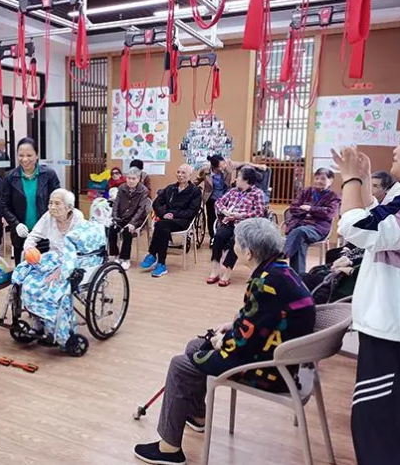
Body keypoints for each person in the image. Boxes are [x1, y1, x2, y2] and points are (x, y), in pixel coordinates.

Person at [134, 218, 315, 465]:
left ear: (249, 253)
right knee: (194, 346)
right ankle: (198, 416)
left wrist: (222, 341)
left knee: (180, 365)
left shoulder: (265, 283)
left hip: (272, 369)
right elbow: (266, 317)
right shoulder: (279, 270)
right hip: (280, 353)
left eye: (236, 243)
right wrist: (233, 326)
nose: (233, 246)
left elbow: (243, 344)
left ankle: (169, 449)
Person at [331, 141, 400, 465]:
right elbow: (377, 215)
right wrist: (361, 179)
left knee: (377, 427)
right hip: (390, 327)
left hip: (392, 332)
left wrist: (349, 180)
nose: (397, 148)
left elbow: (358, 227)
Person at [10, 188, 105, 346]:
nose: (52, 207)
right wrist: (29, 250)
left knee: (53, 287)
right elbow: (33, 235)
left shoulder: (78, 219)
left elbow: (78, 252)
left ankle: (57, 330)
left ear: (69, 207)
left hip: (74, 260)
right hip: (53, 257)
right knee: (29, 282)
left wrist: (60, 271)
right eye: (50, 203)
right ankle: (38, 324)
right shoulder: (48, 217)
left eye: (57, 203)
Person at [1, 137, 60, 263]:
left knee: (45, 269)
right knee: (22, 270)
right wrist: (16, 224)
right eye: (21, 155)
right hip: (21, 235)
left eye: (29, 155)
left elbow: (58, 201)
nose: (25, 159)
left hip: (45, 235)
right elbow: (4, 205)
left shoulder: (49, 175)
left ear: (36, 155)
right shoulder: (9, 177)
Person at [207, 166, 266, 286]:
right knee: (218, 237)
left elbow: (260, 212)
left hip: (245, 226)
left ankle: (227, 273)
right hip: (229, 222)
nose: (236, 179)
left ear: (246, 180)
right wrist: (224, 211)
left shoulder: (257, 193)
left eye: (239, 176)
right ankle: (215, 269)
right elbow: (218, 202)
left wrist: (240, 215)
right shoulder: (233, 191)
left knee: (235, 241)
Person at [140, 164, 201, 278]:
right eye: (178, 172)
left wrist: (173, 214)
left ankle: (153, 254)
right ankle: (160, 264)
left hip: (183, 221)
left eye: (183, 173)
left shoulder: (195, 191)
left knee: (160, 225)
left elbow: (191, 212)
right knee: (162, 227)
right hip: (166, 220)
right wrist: (163, 214)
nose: (180, 175)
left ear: (190, 175)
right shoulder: (170, 188)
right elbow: (156, 203)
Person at [194, 154, 266, 241]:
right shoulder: (205, 170)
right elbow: (198, 179)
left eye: (224, 164)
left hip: (225, 194)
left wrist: (258, 166)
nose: (224, 167)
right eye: (221, 167)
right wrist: (191, 187)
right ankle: (213, 237)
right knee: (211, 217)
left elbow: (244, 163)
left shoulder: (228, 164)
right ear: (214, 167)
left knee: (227, 215)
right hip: (211, 196)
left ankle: (226, 234)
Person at [284, 168, 341, 274]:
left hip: (317, 228)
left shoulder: (334, 196)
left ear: (330, 181)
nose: (319, 181)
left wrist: (310, 209)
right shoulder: (305, 191)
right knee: (300, 240)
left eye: (323, 179)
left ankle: (282, 255)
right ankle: (299, 277)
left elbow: (329, 213)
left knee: (299, 232)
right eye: (317, 178)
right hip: (299, 226)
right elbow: (293, 208)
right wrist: (316, 212)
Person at [108, 167, 150, 270]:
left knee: (127, 232)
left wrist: (132, 223)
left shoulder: (143, 190)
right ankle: (115, 255)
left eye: (133, 178)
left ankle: (125, 259)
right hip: (121, 217)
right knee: (111, 230)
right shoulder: (122, 187)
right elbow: (116, 203)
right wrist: (115, 218)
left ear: (139, 179)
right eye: (129, 178)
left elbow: (141, 209)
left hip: (136, 218)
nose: (130, 181)